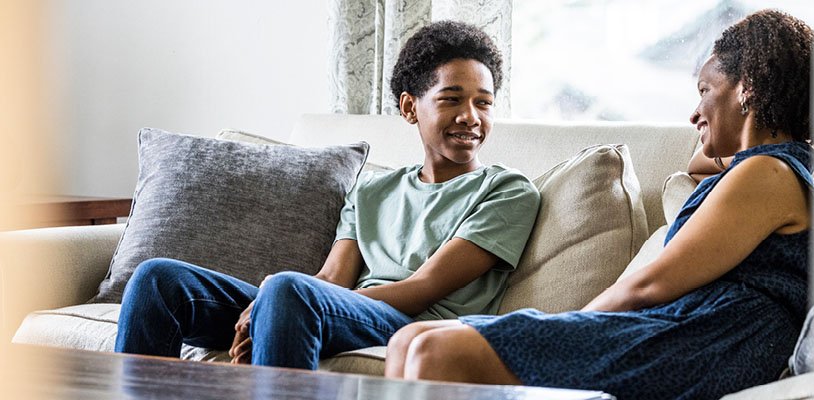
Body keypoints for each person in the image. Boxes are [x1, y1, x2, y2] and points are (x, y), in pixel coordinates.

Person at [385, 9, 814, 399]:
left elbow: (649, 286)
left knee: (434, 349)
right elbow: (703, 158)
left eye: (704, 89)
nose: (694, 113)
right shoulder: (761, 169)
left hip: (710, 340)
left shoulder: (767, 173)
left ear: (746, 90)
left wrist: (571, 325)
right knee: (409, 340)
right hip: (700, 331)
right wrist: (740, 121)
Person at [114, 20, 540, 370]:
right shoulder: (374, 189)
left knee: (288, 290)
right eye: (452, 99)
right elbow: (332, 279)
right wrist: (269, 304)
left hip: (416, 324)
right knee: (158, 279)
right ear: (410, 108)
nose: (471, 117)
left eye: (484, 104)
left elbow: (421, 288)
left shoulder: (505, 190)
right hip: (343, 311)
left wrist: (280, 300)